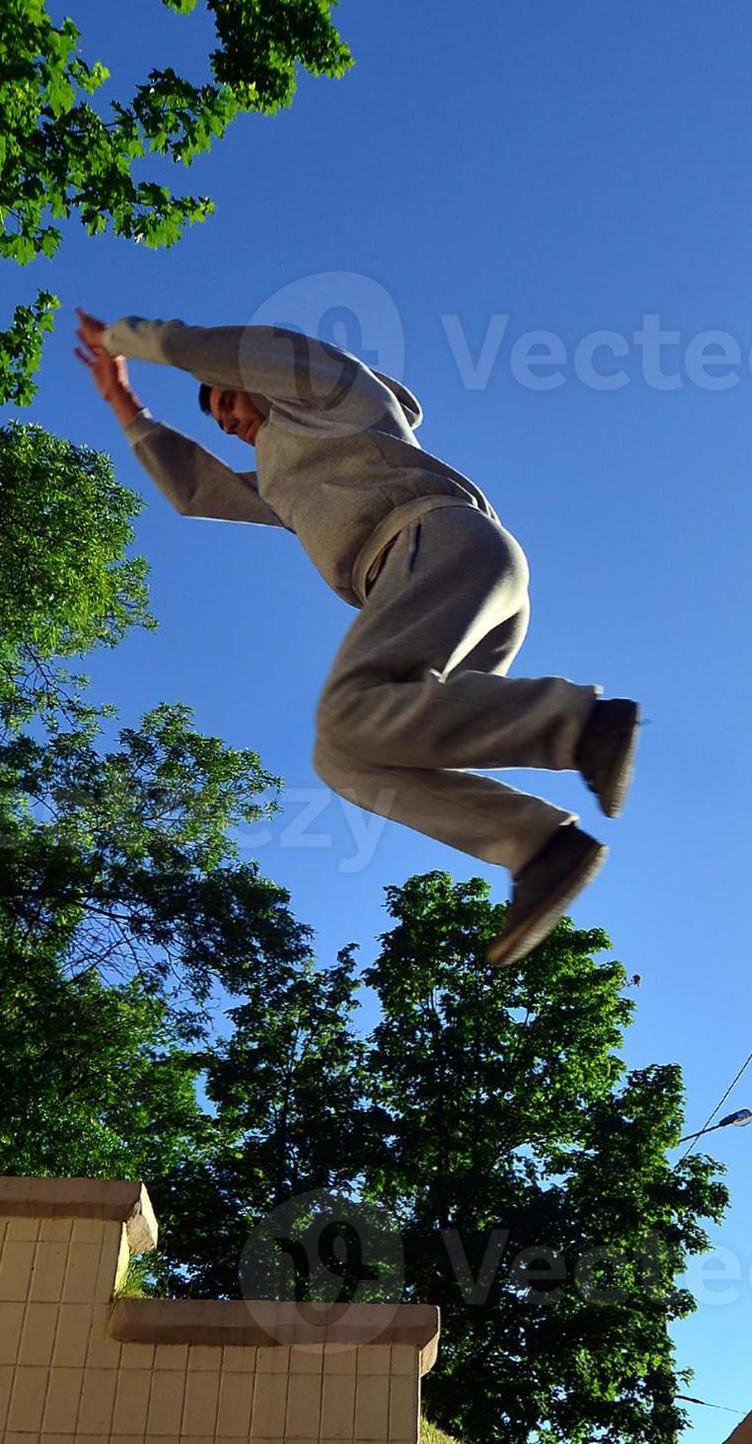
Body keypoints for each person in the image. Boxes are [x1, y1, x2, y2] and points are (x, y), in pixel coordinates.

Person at [71, 307, 639, 967]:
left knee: (346, 708)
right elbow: (199, 490)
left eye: (227, 399)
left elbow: (202, 345)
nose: (226, 420)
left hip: (436, 542)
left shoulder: (331, 390)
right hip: (436, 585)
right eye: (219, 421)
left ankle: (583, 725)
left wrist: (119, 341)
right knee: (346, 756)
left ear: (259, 382)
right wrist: (123, 404)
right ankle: (538, 847)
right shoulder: (293, 475)